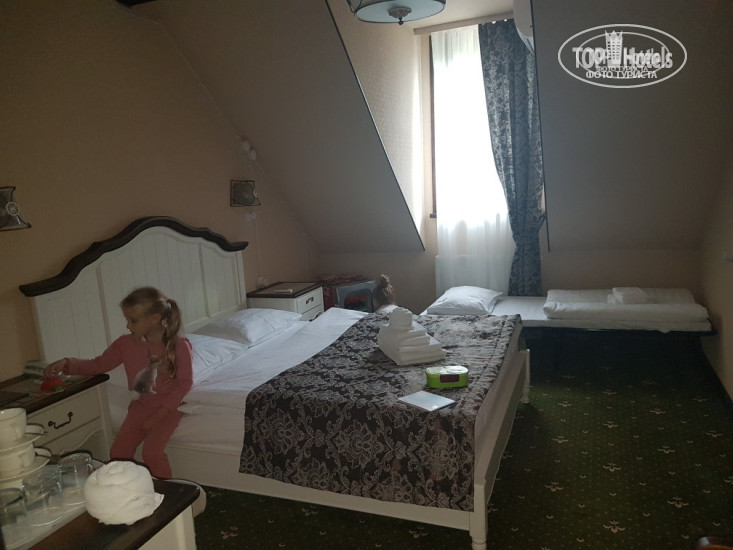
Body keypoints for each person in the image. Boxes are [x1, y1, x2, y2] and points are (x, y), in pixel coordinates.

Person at [44, 287, 193, 479]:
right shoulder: (125, 344)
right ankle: (126, 489)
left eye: (133, 320)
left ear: (155, 318)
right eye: (127, 320)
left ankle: (168, 492)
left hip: (168, 409)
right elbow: (99, 364)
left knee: (151, 454)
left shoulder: (178, 346)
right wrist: (67, 364)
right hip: (141, 406)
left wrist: (158, 416)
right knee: (118, 454)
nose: (128, 326)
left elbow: (184, 383)